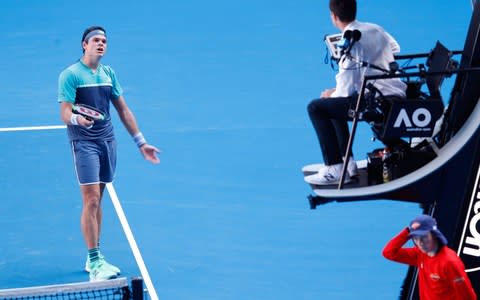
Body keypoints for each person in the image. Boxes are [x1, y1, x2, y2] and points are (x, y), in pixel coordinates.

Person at [57, 26, 160, 281]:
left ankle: (95, 255)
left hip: (107, 141)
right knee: (90, 200)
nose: (101, 44)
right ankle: (94, 261)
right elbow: (64, 113)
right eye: (96, 40)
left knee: (98, 199)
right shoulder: (70, 75)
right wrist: (77, 120)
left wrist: (141, 142)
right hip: (84, 143)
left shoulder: (109, 73)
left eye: (104, 41)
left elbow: (123, 110)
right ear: (84, 44)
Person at [305, 0, 407, 185]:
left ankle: (334, 167)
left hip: (375, 102)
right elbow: (395, 48)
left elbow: (345, 90)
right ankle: (347, 163)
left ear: (334, 16)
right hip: (392, 90)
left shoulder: (351, 41)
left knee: (317, 107)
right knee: (332, 105)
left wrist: (331, 92)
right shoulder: (375, 28)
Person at [383, 215, 477, 300]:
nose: (420, 243)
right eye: (415, 238)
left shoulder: (449, 262)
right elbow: (389, 252)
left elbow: (467, 295)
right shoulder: (419, 254)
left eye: (424, 237)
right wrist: (408, 231)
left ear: (434, 234)